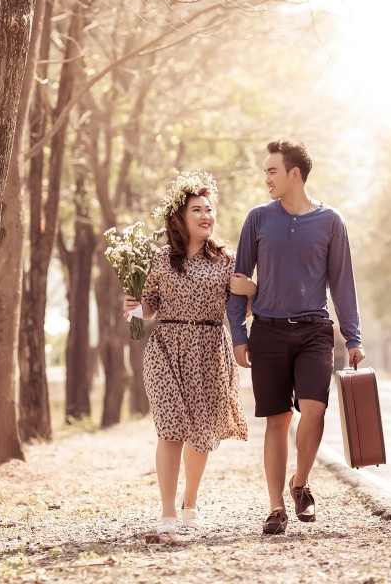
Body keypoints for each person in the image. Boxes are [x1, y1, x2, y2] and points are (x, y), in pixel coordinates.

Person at [227, 140, 365, 535]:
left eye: (272, 170)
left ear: (294, 174)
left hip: (314, 331)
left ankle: (300, 481)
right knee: (277, 421)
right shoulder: (257, 219)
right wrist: (239, 334)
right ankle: (275, 508)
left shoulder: (330, 221)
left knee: (315, 410)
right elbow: (238, 283)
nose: (266, 177)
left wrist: (353, 338)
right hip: (267, 332)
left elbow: (342, 285)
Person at [122, 172, 253, 541]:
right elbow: (148, 307)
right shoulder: (162, 259)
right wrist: (132, 307)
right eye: (197, 209)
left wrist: (252, 290)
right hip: (166, 347)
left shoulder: (228, 260)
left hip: (210, 350)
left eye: (209, 209)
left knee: (201, 434)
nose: (205, 215)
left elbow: (242, 308)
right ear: (180, 218)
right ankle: (166, 512)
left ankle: (190, 502)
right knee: (170, 428)